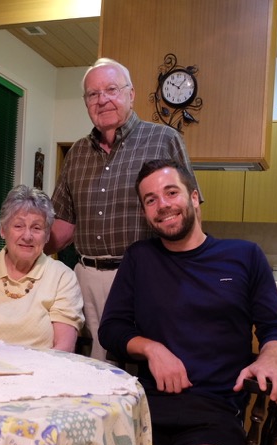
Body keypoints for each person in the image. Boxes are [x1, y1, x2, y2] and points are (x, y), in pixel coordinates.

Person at [98, 160, 277, 445]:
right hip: (145, 414)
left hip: (214, 415)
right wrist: (151, 348)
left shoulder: (243, 256)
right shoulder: (140, 258)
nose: (162, 205)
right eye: (150, 200)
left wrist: (270, 361)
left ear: (194, 197)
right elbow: (112, 328)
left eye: (170, 193)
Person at [46, 57, 200, 361]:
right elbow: (63, 224)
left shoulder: (164, 139)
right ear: (86, 102)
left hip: (144, 275)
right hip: (86, 279)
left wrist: (193, 274)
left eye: (111, 90)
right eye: (93, 94)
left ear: (131, 94)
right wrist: (20, 254)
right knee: (93, 364)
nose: (102, 99)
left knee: (142, 361)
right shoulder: (77, 152)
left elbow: (190, 212)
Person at [0, 184, 84, 352]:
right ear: (3, 230)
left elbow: (64, 347)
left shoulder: (62, 277)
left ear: (47, 235)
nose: (27, 236)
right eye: (18, 226)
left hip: (37, 367)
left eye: (36, 228)